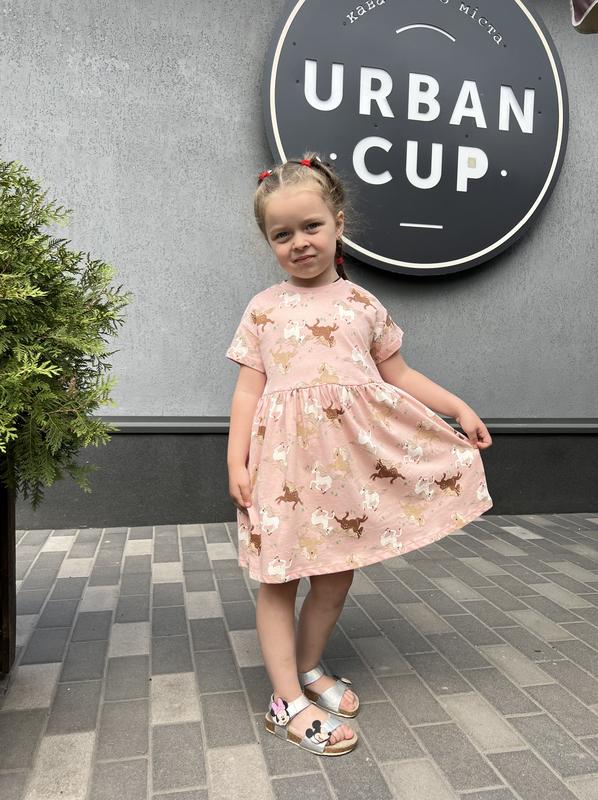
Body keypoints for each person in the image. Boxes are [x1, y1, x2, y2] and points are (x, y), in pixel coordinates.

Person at [225, 152, 493, 757]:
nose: (299, 242)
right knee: (278, 579)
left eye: (311, 226)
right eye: (282, 234)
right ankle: (285, 701)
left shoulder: (362, 305)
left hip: (343, 470)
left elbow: (400, 375)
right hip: (281, 470)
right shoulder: (264, 309)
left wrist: (457, 408)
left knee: (334, 576)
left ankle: (309, 666)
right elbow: (246, 392)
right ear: (269, 242)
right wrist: (235, 460)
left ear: (338, 223)